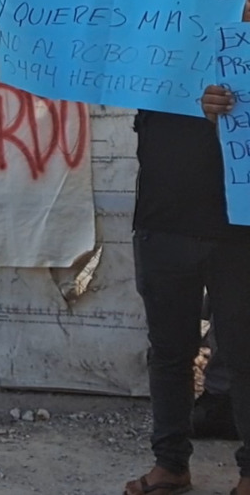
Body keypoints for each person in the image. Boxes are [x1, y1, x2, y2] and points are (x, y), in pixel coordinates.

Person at [124, 74, 250, 495]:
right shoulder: (148, 54)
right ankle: (170, 464)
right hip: (162, 221)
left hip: (238, 228)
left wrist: (233, 107)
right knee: (168, 352)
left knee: (244, 352)